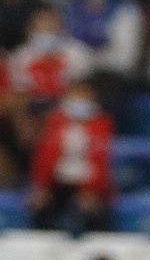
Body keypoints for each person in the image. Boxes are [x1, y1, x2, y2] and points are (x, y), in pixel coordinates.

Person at [29, 75, 113, 233]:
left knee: (90, 210)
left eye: (83, 97)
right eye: (75, 96)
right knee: (39, 205)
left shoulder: (101, 124)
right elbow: (44, 157)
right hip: (57, 182)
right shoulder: (55, 121)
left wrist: (90, 190)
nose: (78, 101)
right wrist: (42, 187)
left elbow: (100, 161)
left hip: (89, 183)